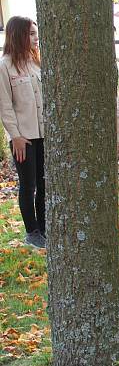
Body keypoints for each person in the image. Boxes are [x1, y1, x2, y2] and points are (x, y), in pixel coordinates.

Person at [0, 16, 45, 249]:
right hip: (23, 137)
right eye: (31, 34)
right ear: (18, 35)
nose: (36, 38)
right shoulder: (5, 66)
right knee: (28, 185)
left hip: (43, 134)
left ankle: (46, 228)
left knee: (45, 183)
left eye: (35, 33)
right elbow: (5, 106)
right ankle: (32, 232)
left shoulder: (37, 62)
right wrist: (15, 136)